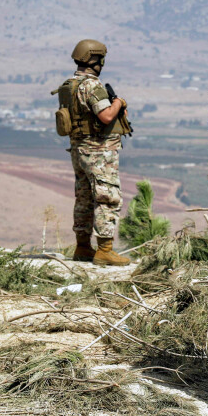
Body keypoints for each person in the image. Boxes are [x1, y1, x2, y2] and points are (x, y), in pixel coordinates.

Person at [56, 39, 131, 266]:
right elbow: (106, 116)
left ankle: (82, 246)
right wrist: (119, 103)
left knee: (84, 197)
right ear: (95, 60)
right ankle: (104, 250)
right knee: (107, 197)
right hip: (98, 151)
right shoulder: (91, 86)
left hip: (78, 149)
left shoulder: (69, 85)